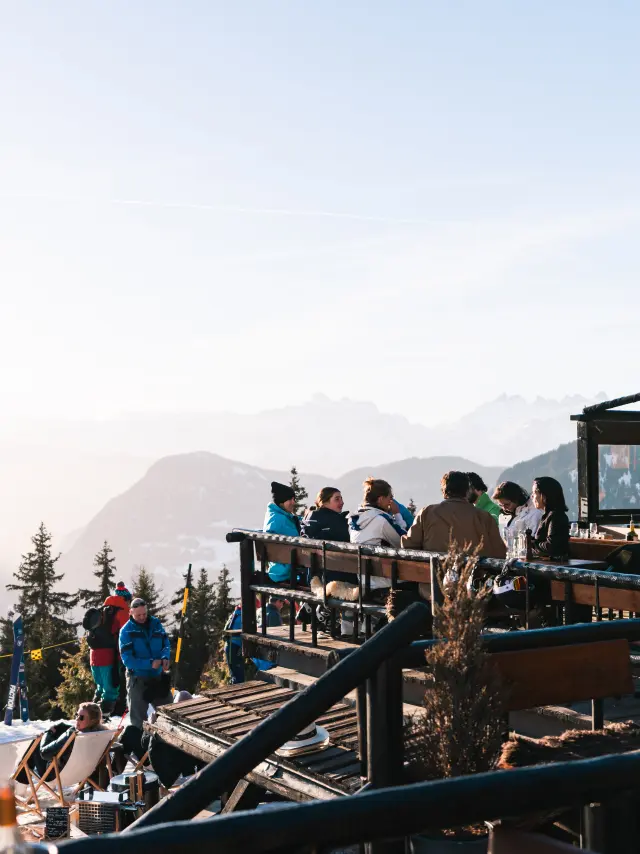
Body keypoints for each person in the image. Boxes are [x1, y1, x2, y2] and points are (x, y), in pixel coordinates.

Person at [401, 471, 506, 558]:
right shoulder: (484, 517)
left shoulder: (426, 513)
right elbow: (499, 553)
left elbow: (409, 545)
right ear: (467, 491)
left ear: (444, 491)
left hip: (433, 579)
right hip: (473, 580)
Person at [119, 597, 172, 730]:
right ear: (130, 612)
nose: (142, 617)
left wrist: (165, 657)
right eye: (138, 615)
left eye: (144, 614)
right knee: (138, 721)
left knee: (170, 713)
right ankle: (139, 747)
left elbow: (165, 643)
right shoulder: (126, 631)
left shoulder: (156, 624)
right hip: (137, 679)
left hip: (158, 677)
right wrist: (149, 663)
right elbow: (128, 660)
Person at [88, 581, 132, 719]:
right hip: (109, 656)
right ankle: (101, 718)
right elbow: (125, 636)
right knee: (111, 690)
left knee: (100, 688)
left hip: (94, 656)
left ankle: (89, 716)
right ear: (125, 599)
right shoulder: (122, 611)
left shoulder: (103, 609)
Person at [39, 702, 106, 770]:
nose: (77, 719)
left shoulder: (73, 734)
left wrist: (48, 732)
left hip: (58, 774)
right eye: (76, 715)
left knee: (36, 746)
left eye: (81, 717)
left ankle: (28, 779)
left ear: (92, 721)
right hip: (85, 773)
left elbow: (44, 753)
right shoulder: (102, 733)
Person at [264, 481, 302, 582]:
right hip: (287, 572)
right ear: (281, 501)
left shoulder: (275, 515)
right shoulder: (280, 520)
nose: (293, 502)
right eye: (290, 499)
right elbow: (298, 543)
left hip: (277, 570)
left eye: (294, 499)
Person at [530, 477, 570, 561]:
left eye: (534, 493)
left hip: (555, 566)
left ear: (544, 496)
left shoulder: (556, 516)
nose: (532, 496)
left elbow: (552, 547)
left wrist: (532, 544)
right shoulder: (547, 515)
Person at [252, 596, 285, 672]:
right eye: (282, 602)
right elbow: (277, 634)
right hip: (267, 651)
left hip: (257, 647)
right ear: (277, 601)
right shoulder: (274, 613)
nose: (282, 605)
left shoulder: (260, 610)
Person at [224, 602, 244, 684]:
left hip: (229, 646)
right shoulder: (243, 618)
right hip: (235, 647)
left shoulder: (234, 614)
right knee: (238, 676)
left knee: (234, 674)